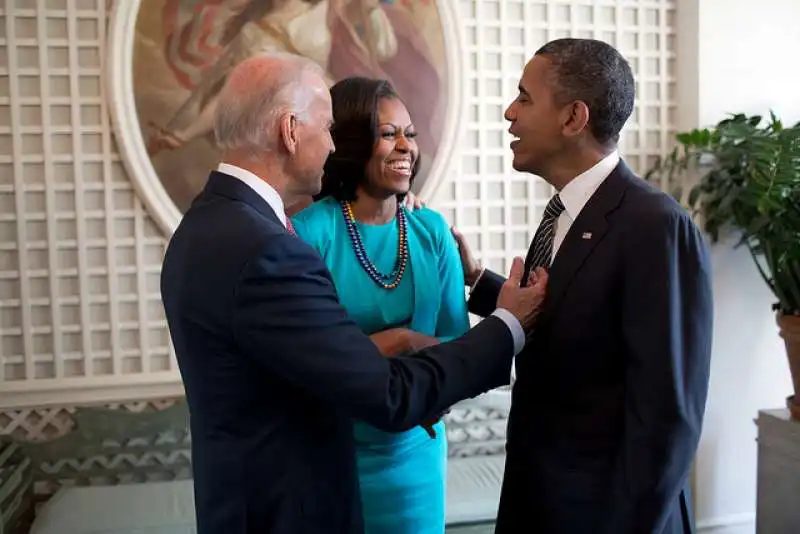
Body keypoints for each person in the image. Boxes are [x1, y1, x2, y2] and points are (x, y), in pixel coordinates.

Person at [160, 51, 549, 534]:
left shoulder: (206, 225)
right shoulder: (271, 248)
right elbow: (383, 393)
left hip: (275, 495)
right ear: (289, 130)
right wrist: (505, 324)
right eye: (326, 129)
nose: (329, 144)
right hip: (293, 504)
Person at [455, 38, 714, 533]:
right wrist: (476, 280)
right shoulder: (565, 214)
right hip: (542, 501)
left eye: (525, 98)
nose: (510, 113)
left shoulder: (654, 225)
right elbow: (564, 319)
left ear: (574, 117)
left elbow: (668, 416)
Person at [290, 77, 460, 534]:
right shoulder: (308, 234)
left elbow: (455, 346)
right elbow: (310, 362)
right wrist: (403, 339)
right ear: (350, 140)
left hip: (418, 453)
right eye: (389, 134)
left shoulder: (432, 231)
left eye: (411, 134)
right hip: (332, 455)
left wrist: (438, 389)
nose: (406, 146)